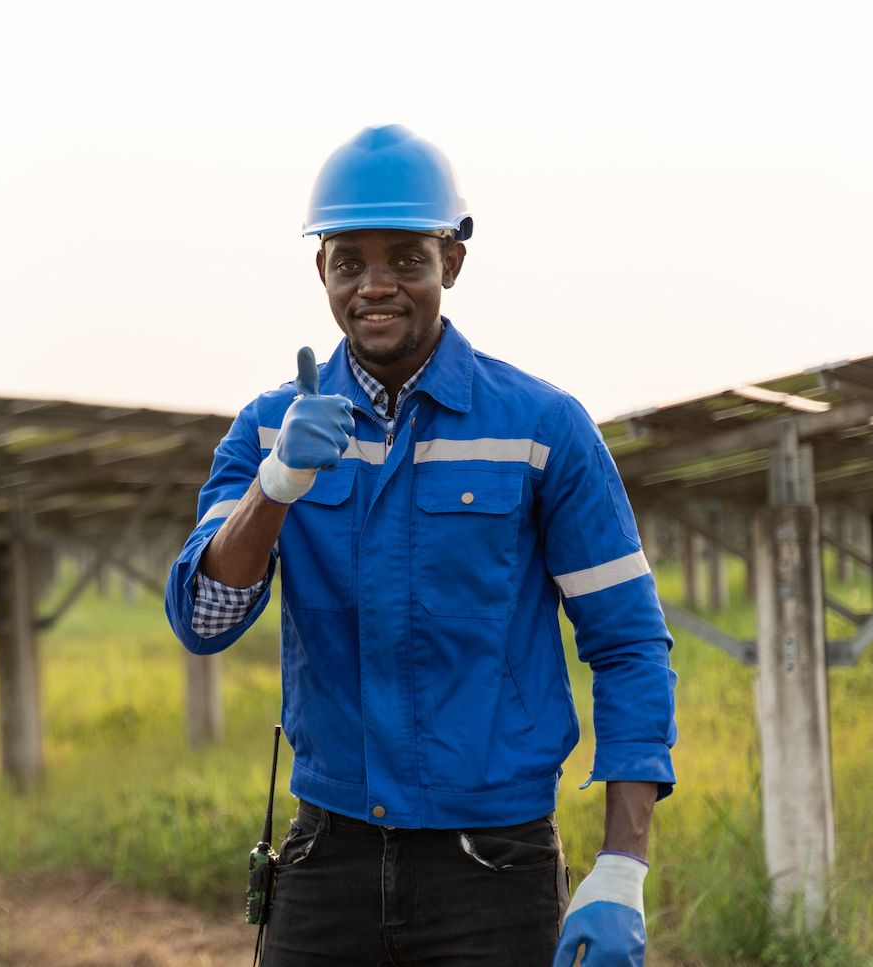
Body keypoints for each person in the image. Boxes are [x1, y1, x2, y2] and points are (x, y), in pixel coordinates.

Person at [164, 124, 676, 966]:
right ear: (321, 271)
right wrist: (276, 484)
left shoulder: (542, 427)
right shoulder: (267, 429)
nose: (376, 285)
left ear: (453, 261)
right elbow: (204, 617)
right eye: (349, 262)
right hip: (326, 861)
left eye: (406, 258)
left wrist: (623, 864)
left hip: (494, 868)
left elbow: (627, 643)